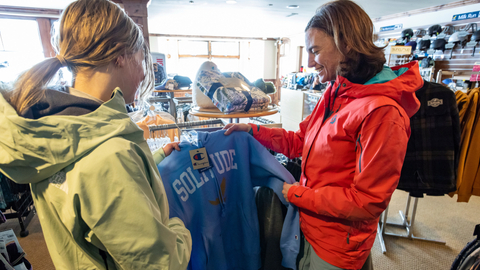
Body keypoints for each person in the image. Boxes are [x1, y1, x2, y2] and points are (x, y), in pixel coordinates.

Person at [224, 0, 423, 269]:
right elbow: (301, 143)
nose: (308, 62)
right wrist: (254, 131)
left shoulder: (383, 114)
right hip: (309, 226)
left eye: (315, 50)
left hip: (337, 247)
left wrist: (295, 194)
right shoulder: (336, 92)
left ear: (346, 44)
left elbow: (366, 202)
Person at [0, 0, 191, 269]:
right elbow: (161, 263)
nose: (143, 72)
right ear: (120, 56)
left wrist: (154, 158)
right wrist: (178, 227)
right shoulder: (110, 156)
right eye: (140, 59)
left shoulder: (51, 130)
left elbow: (90, 196)